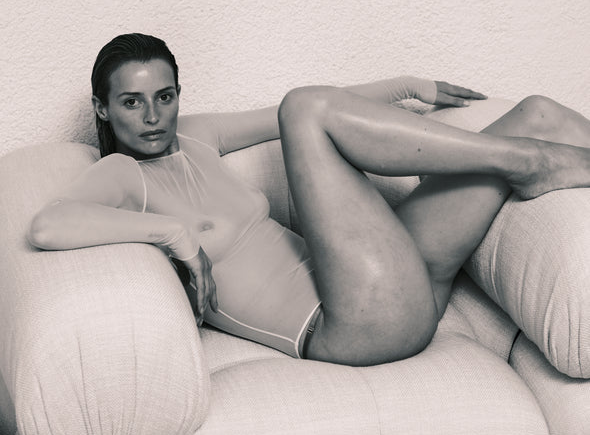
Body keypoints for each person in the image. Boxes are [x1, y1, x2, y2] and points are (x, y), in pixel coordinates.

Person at [28, 33, 590, 366]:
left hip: (391, 282)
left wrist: (406, 87)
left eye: (164, 96)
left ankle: (532, 154)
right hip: (353, 325)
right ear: (102, 109)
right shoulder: (121, 173)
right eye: (131, 102)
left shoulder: (195, 137)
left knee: (538, 113)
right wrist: (174, 234)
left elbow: (307, 109)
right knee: (302, 107)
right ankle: (528, 163)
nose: (153, 117)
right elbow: (49, 226)